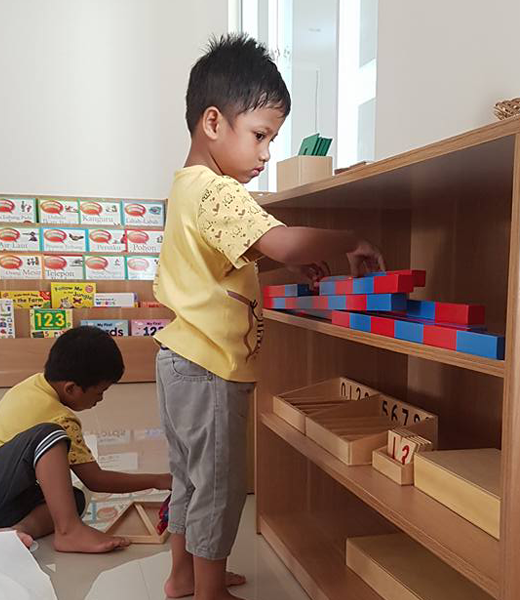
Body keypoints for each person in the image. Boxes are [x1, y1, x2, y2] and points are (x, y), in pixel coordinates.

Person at [153, 33, 385, 600]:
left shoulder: (187, 188)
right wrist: (349, 238)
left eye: (272, 140)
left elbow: (231, 264)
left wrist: (285, 266)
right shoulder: (219, 192)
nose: (265, 154)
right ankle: (209, 589)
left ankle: (184, 576)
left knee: (190, 479)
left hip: (179, 360)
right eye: (260, 135)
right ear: (213, 122)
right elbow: (280, 241)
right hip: (209, 368)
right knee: (219, 484)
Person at [0, 326, 172, 552]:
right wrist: (158, 480)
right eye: (100, 392)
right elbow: (96, 479)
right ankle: (69, 532)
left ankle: (16, 531)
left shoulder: (33, 384)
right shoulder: (61, 418)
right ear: (71, 388)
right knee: (49, 434)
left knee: (72, 499)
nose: (101, 399)